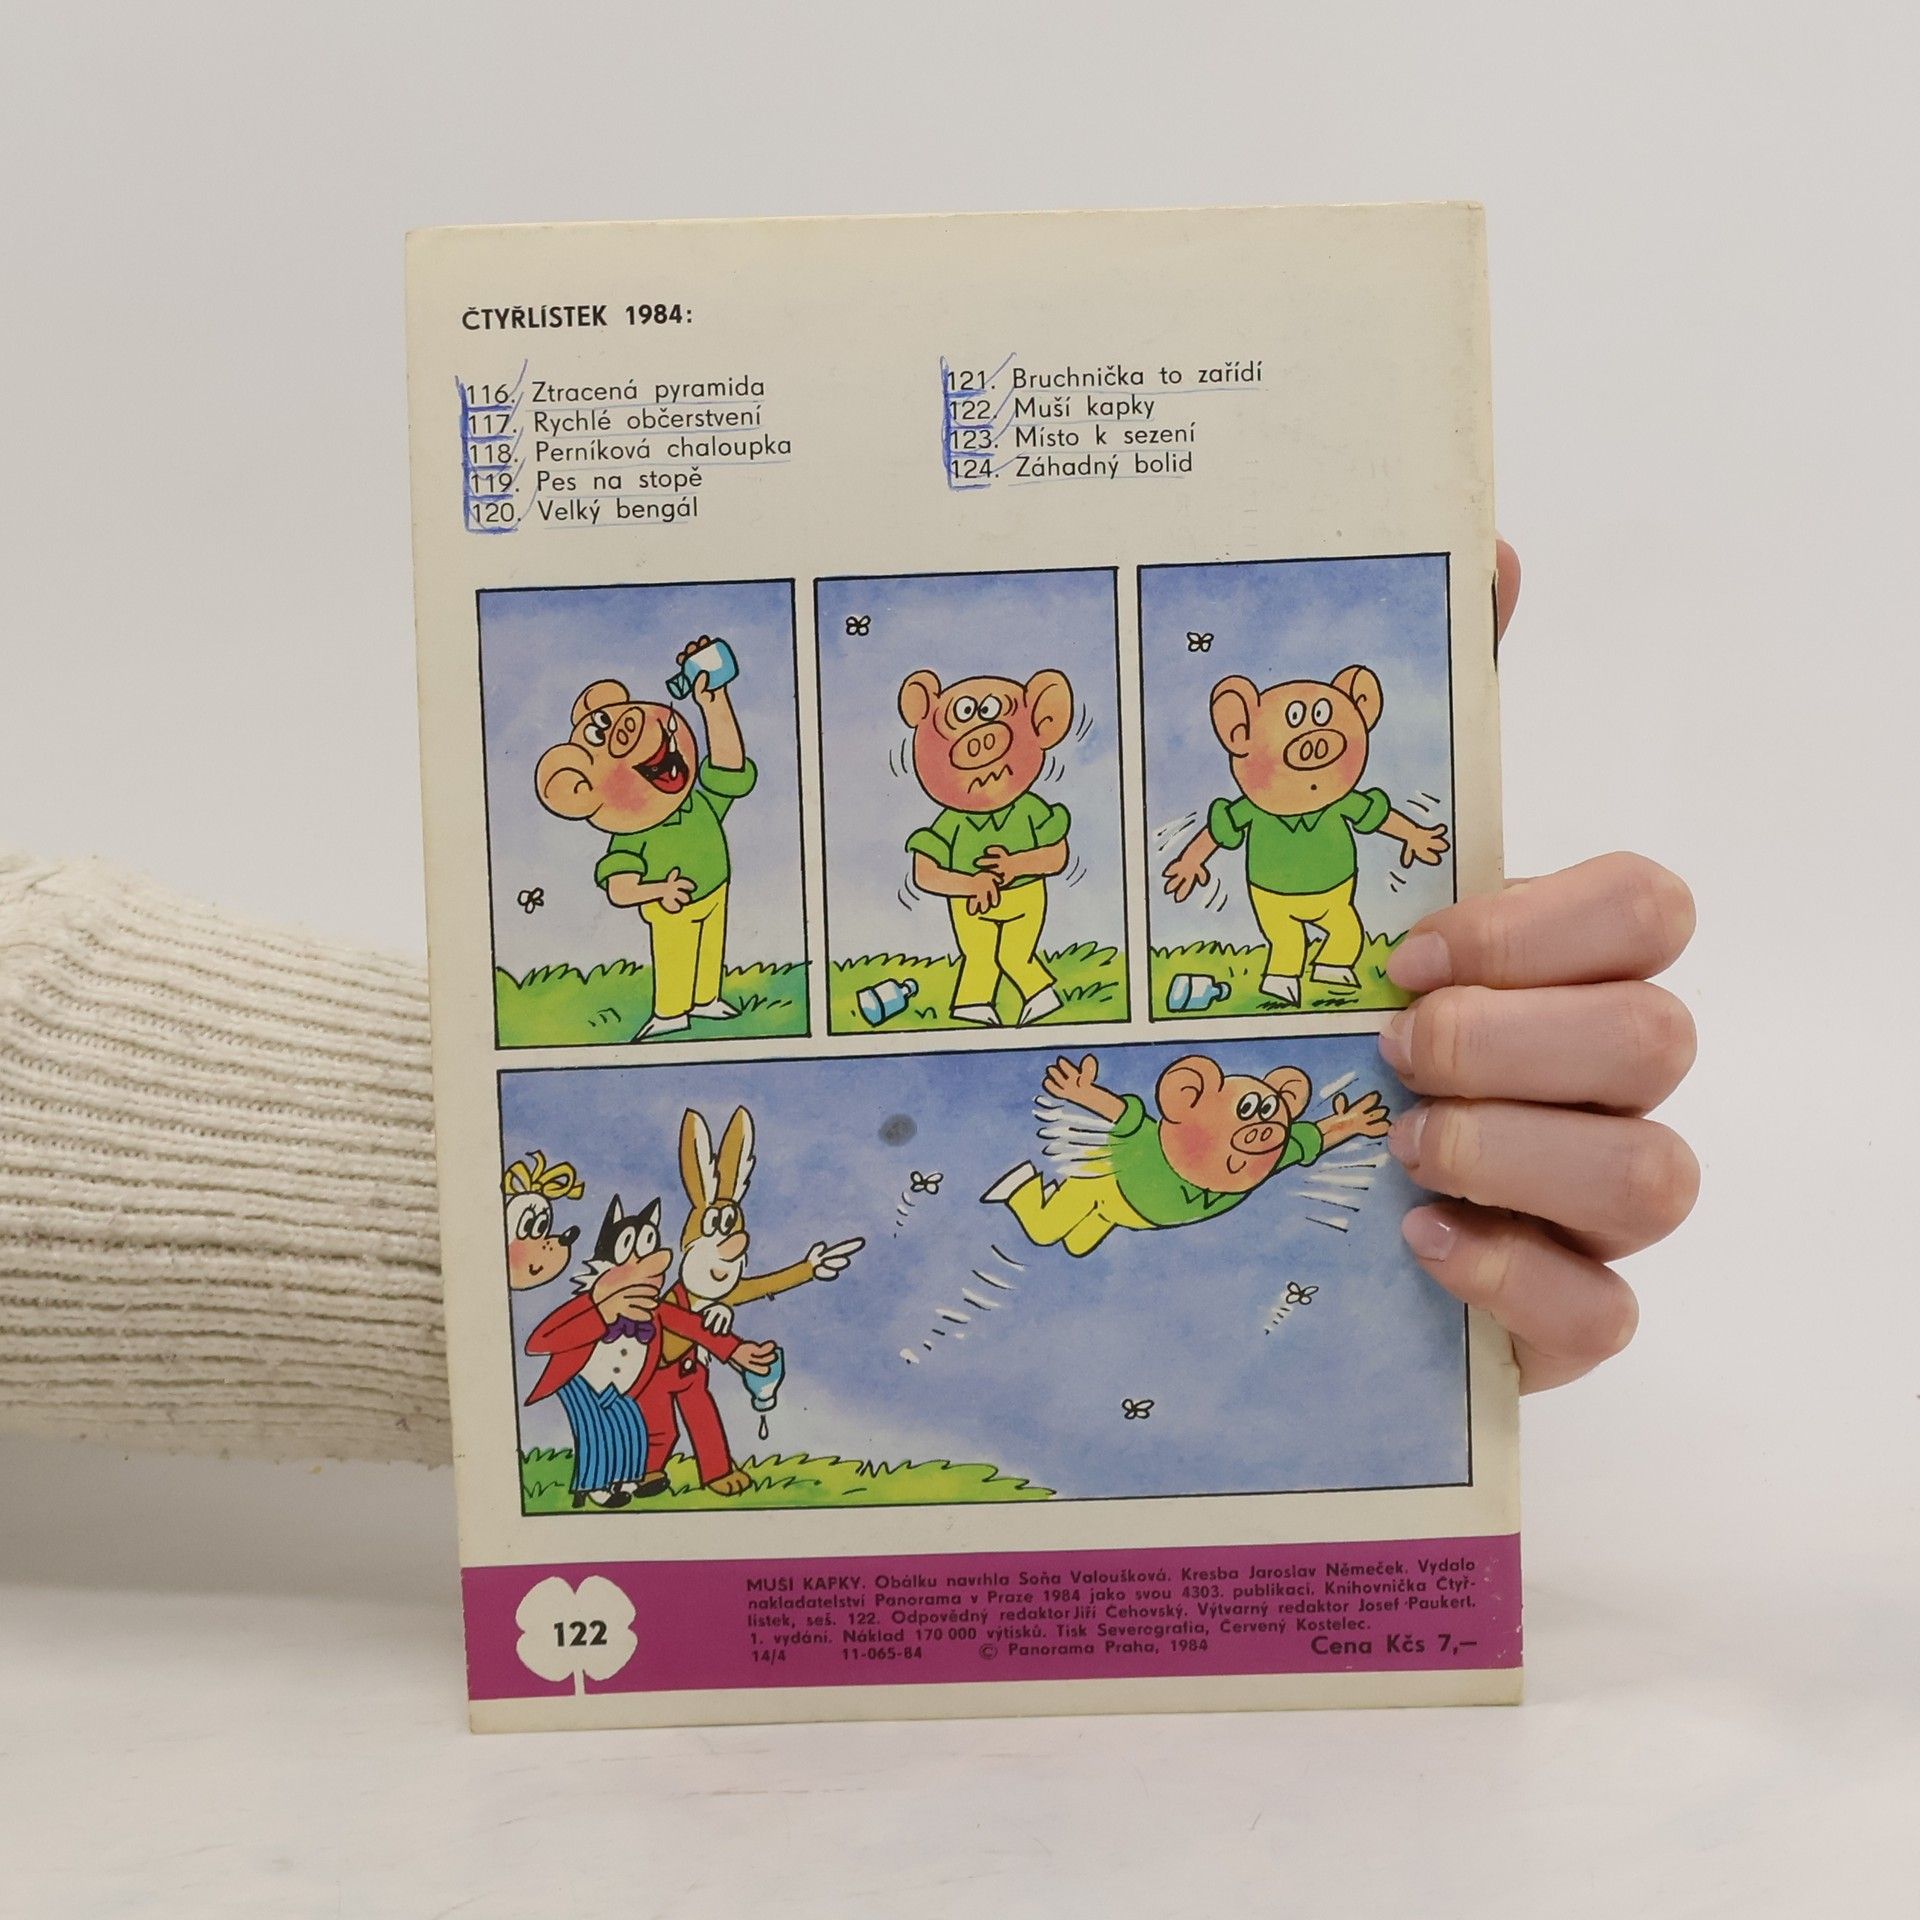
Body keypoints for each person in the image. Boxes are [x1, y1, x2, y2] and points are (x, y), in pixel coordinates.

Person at [0, 543, 1697, 1458]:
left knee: (1018, 1025)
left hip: (1173, 1028)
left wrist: (1361, 1159)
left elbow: (823, 803)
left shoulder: (1113, 884)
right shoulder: (869, 837)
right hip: (1021, 1069)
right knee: (1004, 1073)